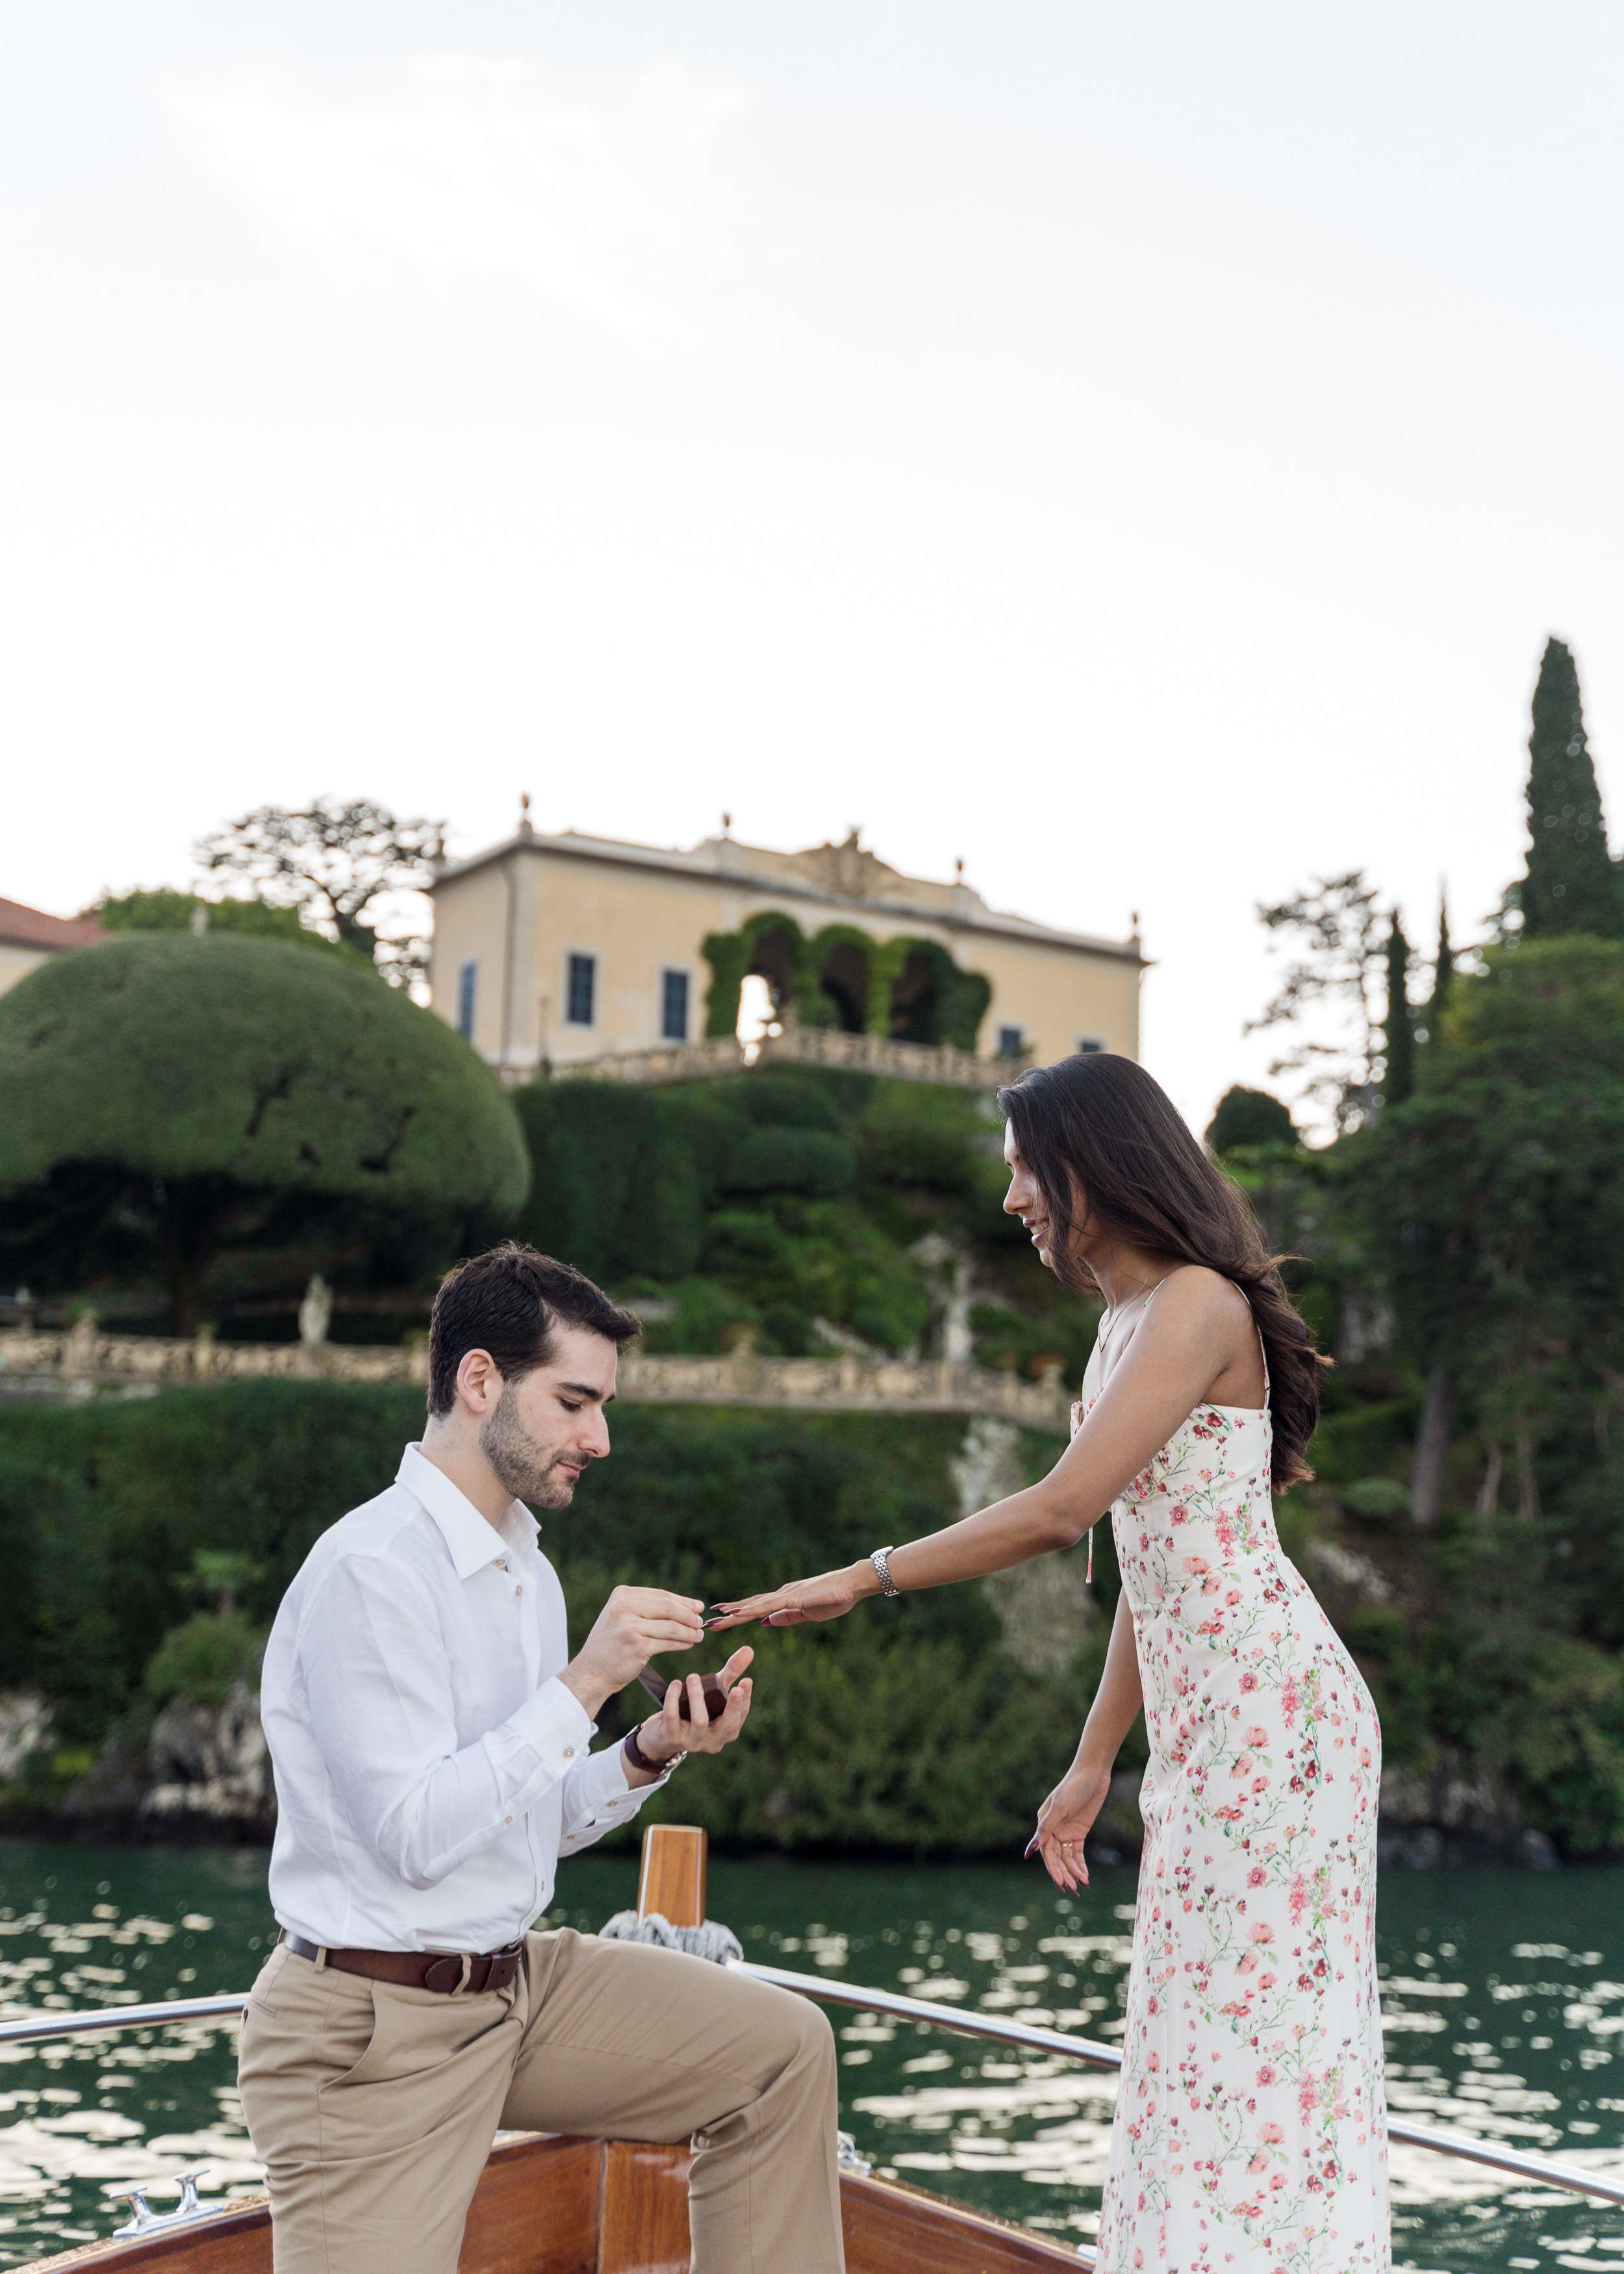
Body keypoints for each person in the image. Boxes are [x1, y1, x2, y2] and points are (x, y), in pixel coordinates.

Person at [712, 1054, 1389, 2274]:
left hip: (1274, 1714)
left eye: (1027, 1168)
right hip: (1205, 1723)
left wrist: (860, 1577)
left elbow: (1062, 1510)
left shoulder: (1196, 1304)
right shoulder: (1120, 1327)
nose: (1013, 1197)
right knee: (1196, 2023)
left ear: (1096, 1163)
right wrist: (1092, 1764)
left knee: (1261, 2030)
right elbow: (1146, 1556)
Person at [239, 1242, 844, 2274]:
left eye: (602, 1407)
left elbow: (523, 1815)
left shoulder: (528, 1567)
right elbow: (419, 1840)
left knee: (782, 2053)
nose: (599, 1437)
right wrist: (587, 1683)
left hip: (516, 1986)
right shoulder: (372, 1572)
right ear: (481, 1382)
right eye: (574, 1403)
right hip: (370, 2034)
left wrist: (649, 1748)